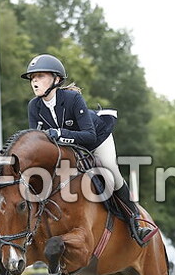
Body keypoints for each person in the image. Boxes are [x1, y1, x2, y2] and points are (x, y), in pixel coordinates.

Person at [21, 54, 154, 246]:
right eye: (32, 78)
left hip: (96, 139)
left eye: (40, 76)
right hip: (67, 147)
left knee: (110, 170)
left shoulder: (73, 98)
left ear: (56, 79)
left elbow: (88, 136)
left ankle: (135, 221)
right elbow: (37, 141)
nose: (34, 82)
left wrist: (58, 133)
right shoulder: (34, 106)